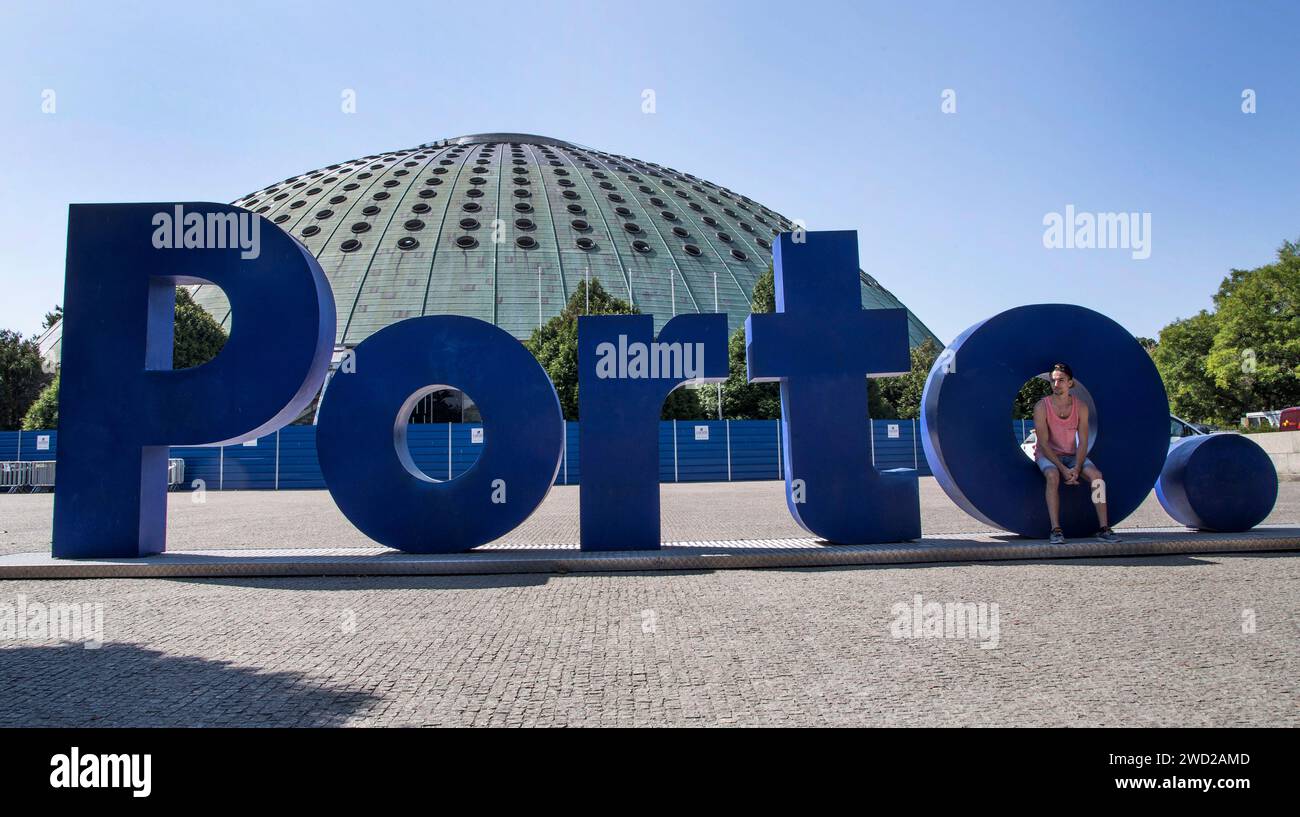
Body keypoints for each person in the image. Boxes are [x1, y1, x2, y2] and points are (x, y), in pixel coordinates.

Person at [1032, 363, 1120, 544]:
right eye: (1053, 381)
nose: (1056, 384)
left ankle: (1104, 528)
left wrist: (1077, 467)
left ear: (1070, 383)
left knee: (1097, 477)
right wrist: (1064, 469)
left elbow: (1084, 441)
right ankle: (1056, 529)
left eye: (1061, 380)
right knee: (1052, 475)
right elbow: (1043, 443)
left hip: (1072, 455)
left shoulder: (1081, 407)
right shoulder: (1042, 406)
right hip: (1048, 455)